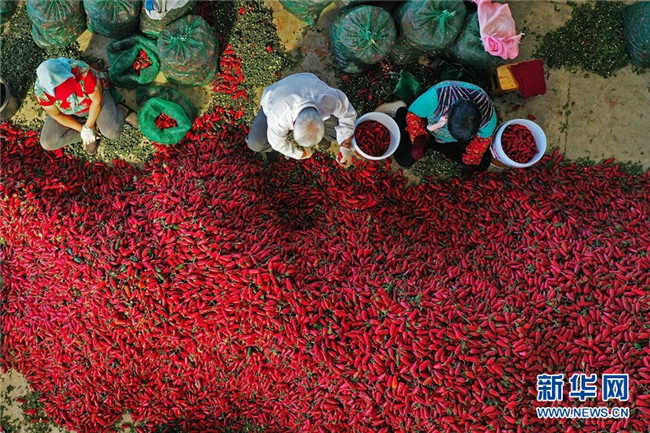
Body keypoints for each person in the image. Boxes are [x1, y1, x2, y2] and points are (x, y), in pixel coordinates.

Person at [378, 80, 497, 177]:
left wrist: (469, 163)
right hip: (430, 128)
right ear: (447, 115)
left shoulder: (488, 117)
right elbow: (414, 115)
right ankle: (400, 110)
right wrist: (418, 138)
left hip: (449, 139)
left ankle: (444, 143)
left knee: (482, 164)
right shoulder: (437, 96)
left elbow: (482, 140)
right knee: (404, 160)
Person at [246, 73, 357, 166]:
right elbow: (277, 143)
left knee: (335, 132)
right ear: (293, 124)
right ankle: (269, 149)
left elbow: (347, 113)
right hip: (275, 96)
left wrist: (345, 145)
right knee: (255, 143)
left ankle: (321, 137)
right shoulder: (278, 116)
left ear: (320, 116)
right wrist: (301, 154)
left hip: (306, 81)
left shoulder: (328, 98)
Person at [34, 57, 137, 155]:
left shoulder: (82, 71)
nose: (69, 94)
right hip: (69, 111)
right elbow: (57, 115)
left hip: (93, 102)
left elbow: (96, 101)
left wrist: (89, 127)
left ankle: (123, 110)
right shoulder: (41, 93)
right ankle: (94, 132)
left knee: (112, 132)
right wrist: (83, 130)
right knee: (48, 142)